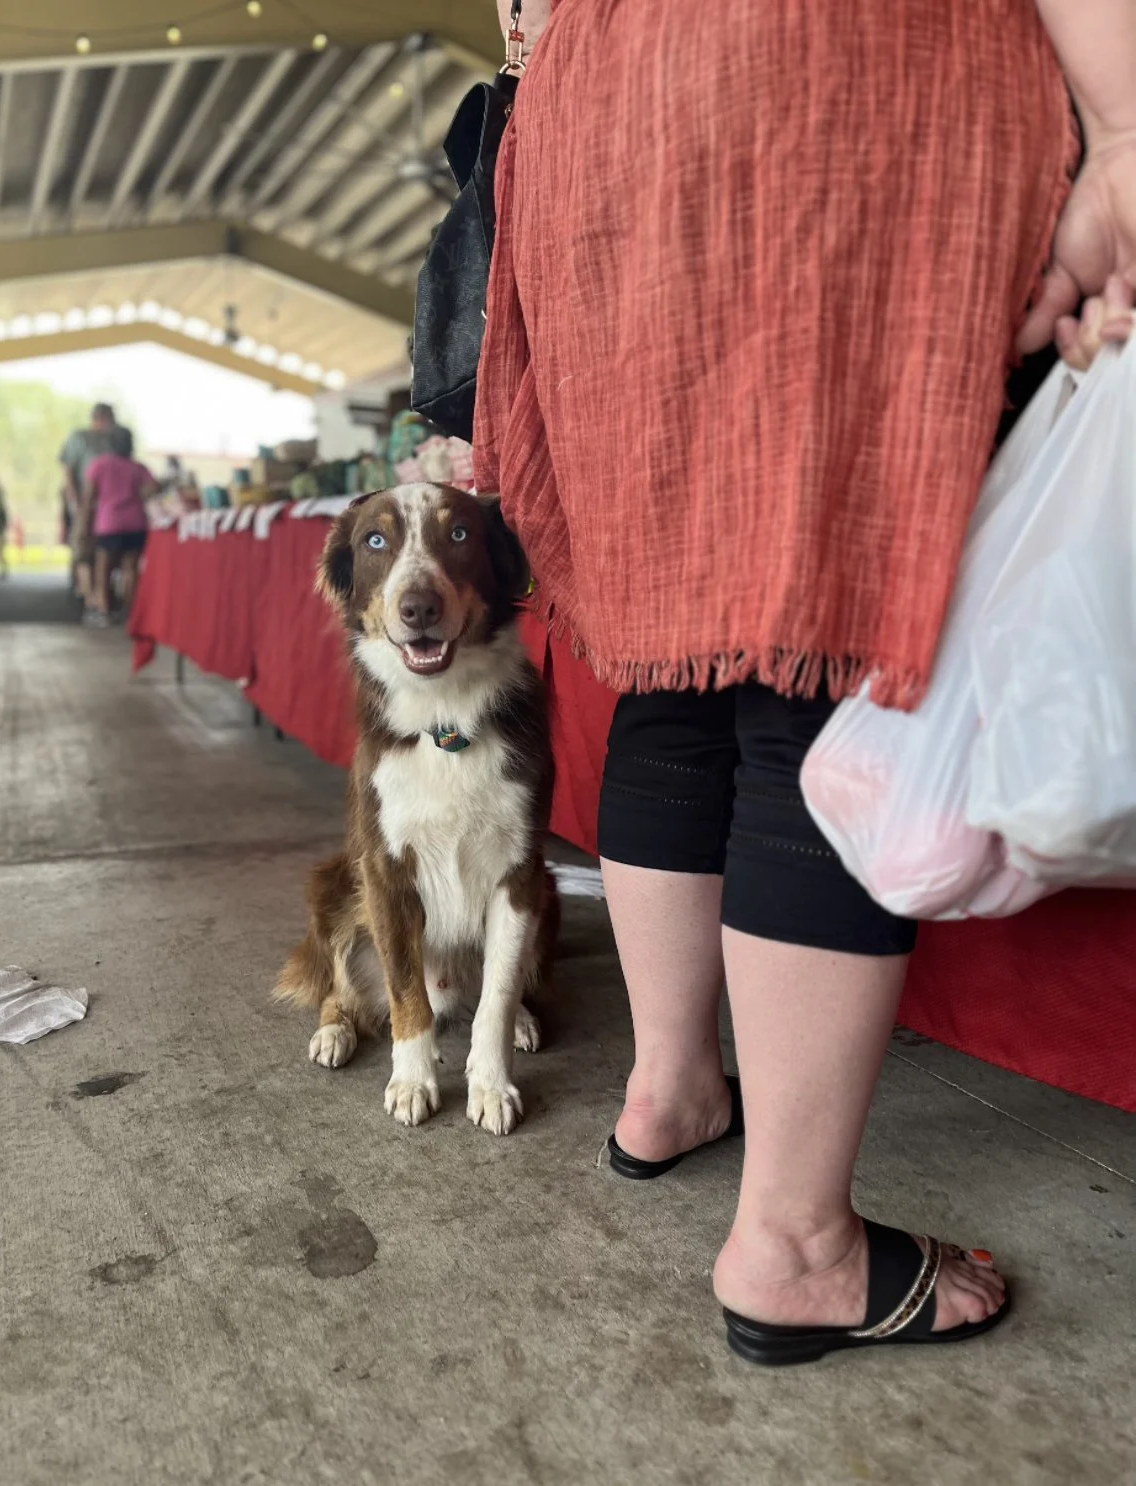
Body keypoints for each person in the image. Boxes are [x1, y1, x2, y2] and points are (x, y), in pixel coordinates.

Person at [476, 0, 1136, 1362]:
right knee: (815, 647)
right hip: (835, 75)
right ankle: (791, 1243)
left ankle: (666, 1086)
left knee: (678, 646)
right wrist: (1123, 124)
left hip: (604, 119)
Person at [81, 427, 157, 628]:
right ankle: (129, 611)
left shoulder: (99, 465)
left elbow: (89, 497)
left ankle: (105, 611)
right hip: (135, 523)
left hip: (109, 523)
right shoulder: (138, 467)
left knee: (103, 568)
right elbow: (151, 490)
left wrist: (85, 524)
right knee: (131, 567)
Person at [59, 403, 130, 607]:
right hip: (85, 500)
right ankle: (87, 593)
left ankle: (102, 593)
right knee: (84, 547)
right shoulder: (80, 438)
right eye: (111, 417)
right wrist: (75, 500)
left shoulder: (113, 441)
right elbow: (69, 470)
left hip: (108, 505)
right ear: (101, 417)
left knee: (104, 550)